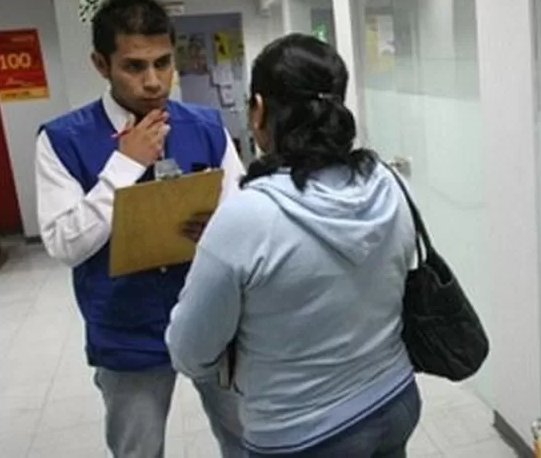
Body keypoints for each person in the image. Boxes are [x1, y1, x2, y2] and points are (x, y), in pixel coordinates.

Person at [165, 34, 421, 457]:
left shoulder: (245, 218)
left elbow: (190, 352)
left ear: (259, 110)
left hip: (303, 433)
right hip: (395, 399)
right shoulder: (389, 183)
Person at [34, 0, 246, 458]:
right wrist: (123, 167)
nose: (153, 81)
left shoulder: (207, 126)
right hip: (125, 329)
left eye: (163, 62)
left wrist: (218, 228)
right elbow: (64, 244)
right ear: (100, 63)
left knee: (245, 440)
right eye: (134, 66)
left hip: (213, 315)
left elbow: (244, 220)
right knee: (139, 450)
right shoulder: (62, 140)